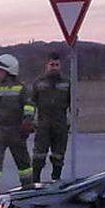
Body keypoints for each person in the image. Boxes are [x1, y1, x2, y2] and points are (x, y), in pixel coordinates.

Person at [0, 54, 35, 202]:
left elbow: (29, 106)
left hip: (17, 129)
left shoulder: (21, 88)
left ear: (8, 71)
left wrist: (27, 122)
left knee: (23, 164)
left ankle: (28, 190)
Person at [30, 52, 71, 182]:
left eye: (57, 65)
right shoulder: (38, 83)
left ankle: (56, 179)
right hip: (43, 124)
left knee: (58, 155)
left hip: (61, 124)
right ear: (46, 65)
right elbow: (31, 103)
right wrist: (29, 120)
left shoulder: (67, 82)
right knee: (39, 155)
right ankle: (35, 181)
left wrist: (70, 121)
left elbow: (73, 103)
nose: (54, 67)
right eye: (52, 64)